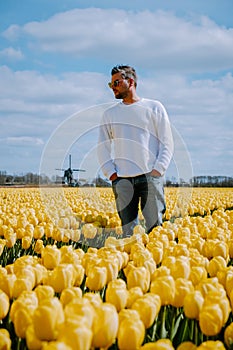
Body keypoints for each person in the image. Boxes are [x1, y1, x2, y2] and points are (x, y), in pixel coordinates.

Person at [97, 65, 174, 237]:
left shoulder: (155, 107)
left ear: (130, 81)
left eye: (116, 82)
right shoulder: (109, 114)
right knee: (128, 234)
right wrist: (112, 174)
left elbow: (167, 142)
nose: (113, 88)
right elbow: (102, 147)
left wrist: (158, 170)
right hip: (122, 180)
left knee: (155, 231)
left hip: (150, 177)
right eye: (111, 85)